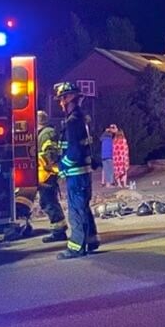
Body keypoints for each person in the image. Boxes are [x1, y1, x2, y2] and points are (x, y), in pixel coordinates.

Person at [53, 82, 100, 259]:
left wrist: (62, 167)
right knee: (83, 207)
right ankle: (91, 240)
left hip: (76, 174)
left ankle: (76, 247)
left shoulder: (73, 122)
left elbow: (74, 152)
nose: (60, 103)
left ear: (69, 98)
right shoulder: (81, 119)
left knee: (76, 210)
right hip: (83, 173)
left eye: (61, 99)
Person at [36, 110, 68, 243]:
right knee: (48, 201)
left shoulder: (46, 134)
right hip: (46, 173)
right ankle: (58, 230)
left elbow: (50, 153)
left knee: (49, 201)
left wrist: (47, 166)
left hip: (47, 174)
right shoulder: (45, 133)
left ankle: (59, 231)